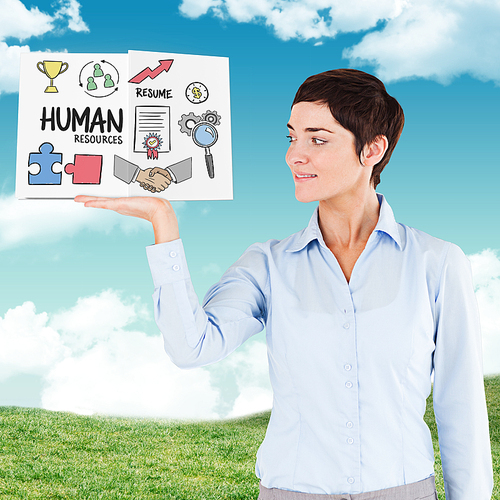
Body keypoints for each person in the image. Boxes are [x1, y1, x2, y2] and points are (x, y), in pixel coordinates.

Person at [75, 69, 493, 500]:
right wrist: (163, 220)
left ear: (372, 149)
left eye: (317, 139)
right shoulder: (268, 264)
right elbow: (191, 347)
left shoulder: (437, 263)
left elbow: (460, 408)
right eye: (291, 137)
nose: (295, 155)